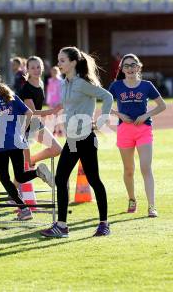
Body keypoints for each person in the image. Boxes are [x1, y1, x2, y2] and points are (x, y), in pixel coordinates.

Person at [40, 46, 113, 238]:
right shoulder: (65, 83)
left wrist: (103, 119)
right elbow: (67, 104)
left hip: (86, 139)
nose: (59, 63)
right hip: (71, 140)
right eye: (59, 59)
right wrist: (50, 112)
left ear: (73, 62)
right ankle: (62, 226)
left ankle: (104, 223)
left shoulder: (82, 83)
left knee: (94, 180)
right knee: (60, 178)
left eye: (63, 60)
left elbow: (107, 96)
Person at [0, 69, 54, 220]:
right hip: (17, 141)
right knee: (20, 175)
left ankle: (24, 209)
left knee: (5, 179)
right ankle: (38, 172)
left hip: (1, 145)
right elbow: (29, 113)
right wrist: (22, 130)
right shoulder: (10, 96)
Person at [109, 54, 166, 217]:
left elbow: (162, 105)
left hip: (144, 130)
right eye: (126, 66)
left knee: (145, 168)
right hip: (124, 131)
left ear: (138, 67)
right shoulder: (116, 86)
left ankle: (152, 206)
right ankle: (132, 199)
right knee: (129, 170)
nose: (130, 68)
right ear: (122, 69)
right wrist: (118, 114)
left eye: (133, 65)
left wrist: (146, 115)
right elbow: (104, 103)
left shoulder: (147, 85)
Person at [18, 56, 62, 169]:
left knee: (57, 149)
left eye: (38, 67)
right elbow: (32, 112)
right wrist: (52, 111)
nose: (36, 70)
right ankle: (26, 164)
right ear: (27, 70)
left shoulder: (41, 84)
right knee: (25, 169)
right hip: (23, 126)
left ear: (42, 68)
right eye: (32, 68)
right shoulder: (26, 88)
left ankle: (31, 159)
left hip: (35, 124)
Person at [46, 66, 64, 136]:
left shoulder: (61, 81)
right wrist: (48, 101)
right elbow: (49, 92)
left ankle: (59, 130)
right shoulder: (50, 81)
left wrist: (62, 101)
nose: (53, 73)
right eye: (52, 72)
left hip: (59, 101)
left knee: (59, 116)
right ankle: (54, 130)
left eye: (55, 72)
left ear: (58, 72)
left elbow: (62, 92)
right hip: (52, 101)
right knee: (53, 117)